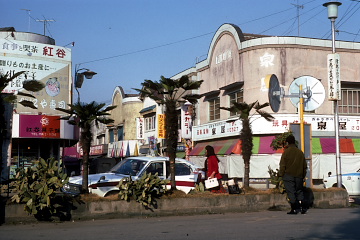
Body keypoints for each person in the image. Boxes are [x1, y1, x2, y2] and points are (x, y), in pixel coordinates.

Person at [279, 135, 308, 214]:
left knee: (291, 191)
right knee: (299, 190)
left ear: (287, 142)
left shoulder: (286, 152)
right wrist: (303, 175)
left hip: (288, 176)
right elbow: (304, 166)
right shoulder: (300, 152)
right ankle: (303, 208)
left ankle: (294, 209)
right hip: (299, 176)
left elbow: (282, 165)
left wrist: (281, 175)